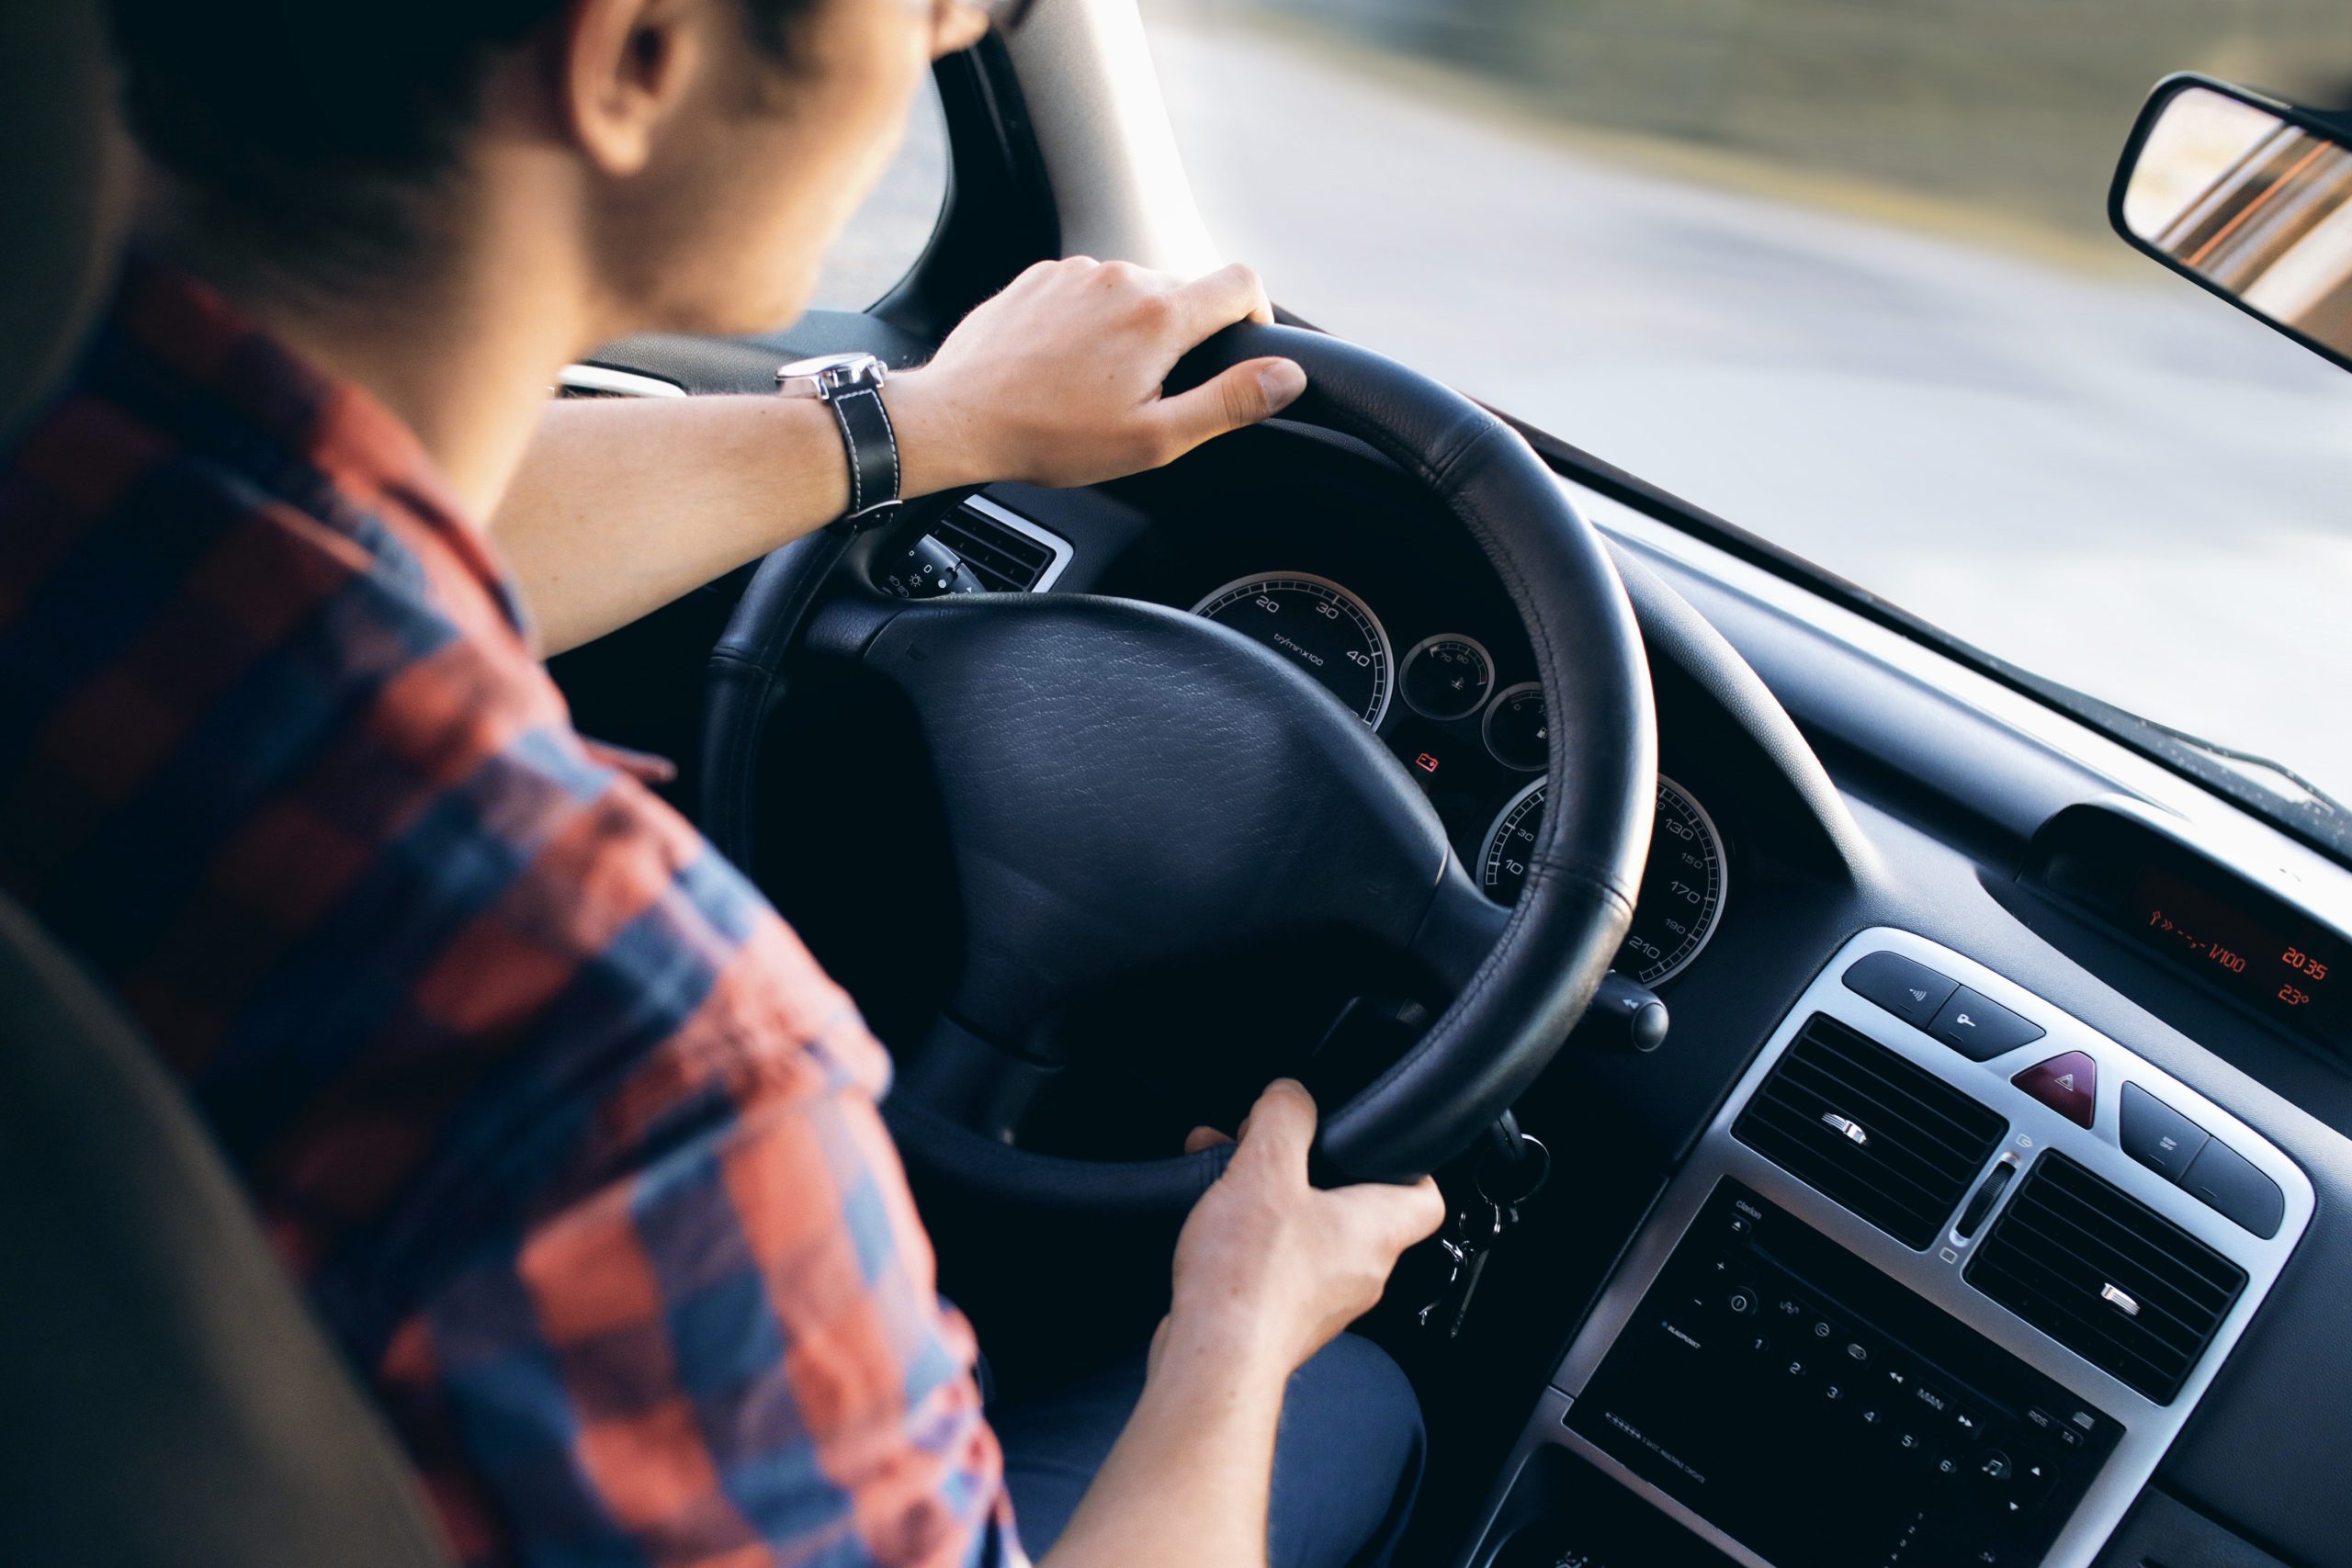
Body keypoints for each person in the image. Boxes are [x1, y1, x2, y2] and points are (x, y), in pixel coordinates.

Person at [0, 2, 1448, 1567]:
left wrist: (931, 423)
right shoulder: (634, 1062)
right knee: (1345, 1405)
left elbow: (375, 524)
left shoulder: (74, 469)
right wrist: (1234, 1327)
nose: (949, 29)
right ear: (636, 55)